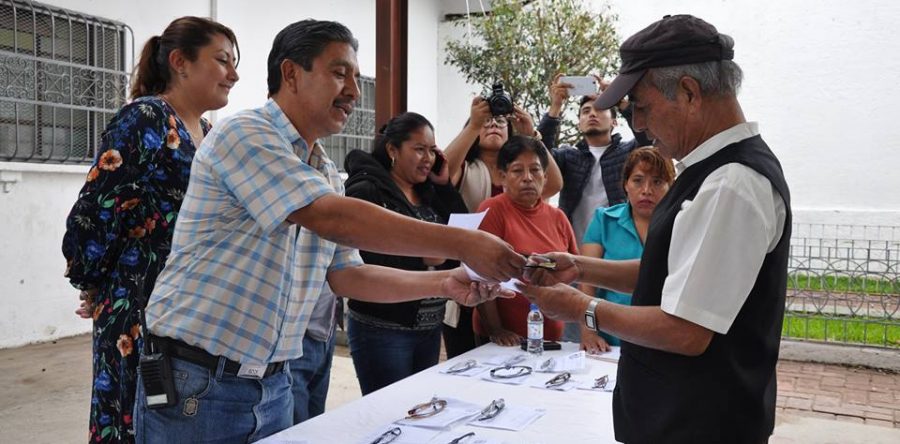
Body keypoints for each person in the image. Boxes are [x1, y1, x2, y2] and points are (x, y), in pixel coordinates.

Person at [134, 19, 523, 444]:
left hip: (273, 385)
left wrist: (447, 282)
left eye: (355, 77)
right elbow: (331, 217)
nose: (354, 92)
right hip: (200, 383)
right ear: (291, 74)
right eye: (340, 73)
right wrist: (466, 242)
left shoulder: (322, 171)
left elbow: (347, 276)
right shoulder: (244, 134)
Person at [520, 14, 791, 444]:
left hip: (698, 424)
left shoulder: (731, 183)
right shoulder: (707, 170)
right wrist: (579, 268)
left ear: (688, 92)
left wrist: (580, 309)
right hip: (674, 415)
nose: (639, 125)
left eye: (641, 108)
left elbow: (685, 330)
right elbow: (673, 270)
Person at [61, 17, 239, 444]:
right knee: (131, 414)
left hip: (190, 302)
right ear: (180, 62)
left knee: (177, 418)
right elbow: (96, 209)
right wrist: (92, 281)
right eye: (222, 61)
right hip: (138, 299)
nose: (234, 74)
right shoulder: (146, 118)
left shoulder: (209, 135)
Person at [343, 112, 468, 394]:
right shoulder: (366, 190)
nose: (428, 158)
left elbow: (462, 230)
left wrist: (444, 184)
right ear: (392, 149)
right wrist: (420, 257)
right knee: (388, 414)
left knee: (418, 411)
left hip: (429, 326)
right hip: (382, 328)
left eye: (432, 151)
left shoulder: (428, 193)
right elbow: (358, 258)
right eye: (419, 149)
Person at [440, 99, 563, 357]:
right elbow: (441, 175)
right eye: (487, 122)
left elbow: (552, 182)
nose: (493, 124)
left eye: (500, 121)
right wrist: (474, 124)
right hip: (466, 276)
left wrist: (531, 135)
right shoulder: (468, 170)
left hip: (514, 302)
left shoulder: (531, 186)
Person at [474, 136, 578, 346]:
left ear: (545, 176)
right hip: (503, 339)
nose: (528, 178)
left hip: (551, 333)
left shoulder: (558, 217)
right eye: (517, 170)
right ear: (502, 177)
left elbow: (576, 273)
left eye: (535, 170)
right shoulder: (491, 210)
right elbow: (481, 275)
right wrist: (496, 330)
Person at [578, 147, 674, 353]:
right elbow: (587, 282)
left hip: (662, 340)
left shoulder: (682, 225)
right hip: (608, 341)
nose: (646, 190)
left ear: (670, 187)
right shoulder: (603, 220)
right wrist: (589, 331)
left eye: (657, 182)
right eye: (638, 180)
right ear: (625, 185)